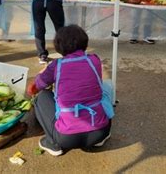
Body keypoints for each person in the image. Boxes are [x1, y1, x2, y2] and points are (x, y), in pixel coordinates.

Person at [28, 25, 113, 156]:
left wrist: (42, 76)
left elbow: (35, 87)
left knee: (41, 97)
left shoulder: (56, 65)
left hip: (66, 138)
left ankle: (53, 144)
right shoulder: (94, 60)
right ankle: (98, 141)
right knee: (107, 86)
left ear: (59, 46)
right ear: (85, 43)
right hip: (101, 131)